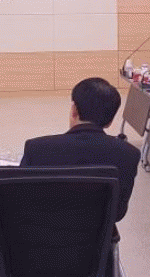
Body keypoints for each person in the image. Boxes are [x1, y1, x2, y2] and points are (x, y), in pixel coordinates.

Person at [19, 77, 140, 221]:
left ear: (74, 110)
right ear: (110, 121)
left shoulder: (37, 148)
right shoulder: (129, 154)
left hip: (40, 231)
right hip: (97, 235)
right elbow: (118, 212)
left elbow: (21, 199)